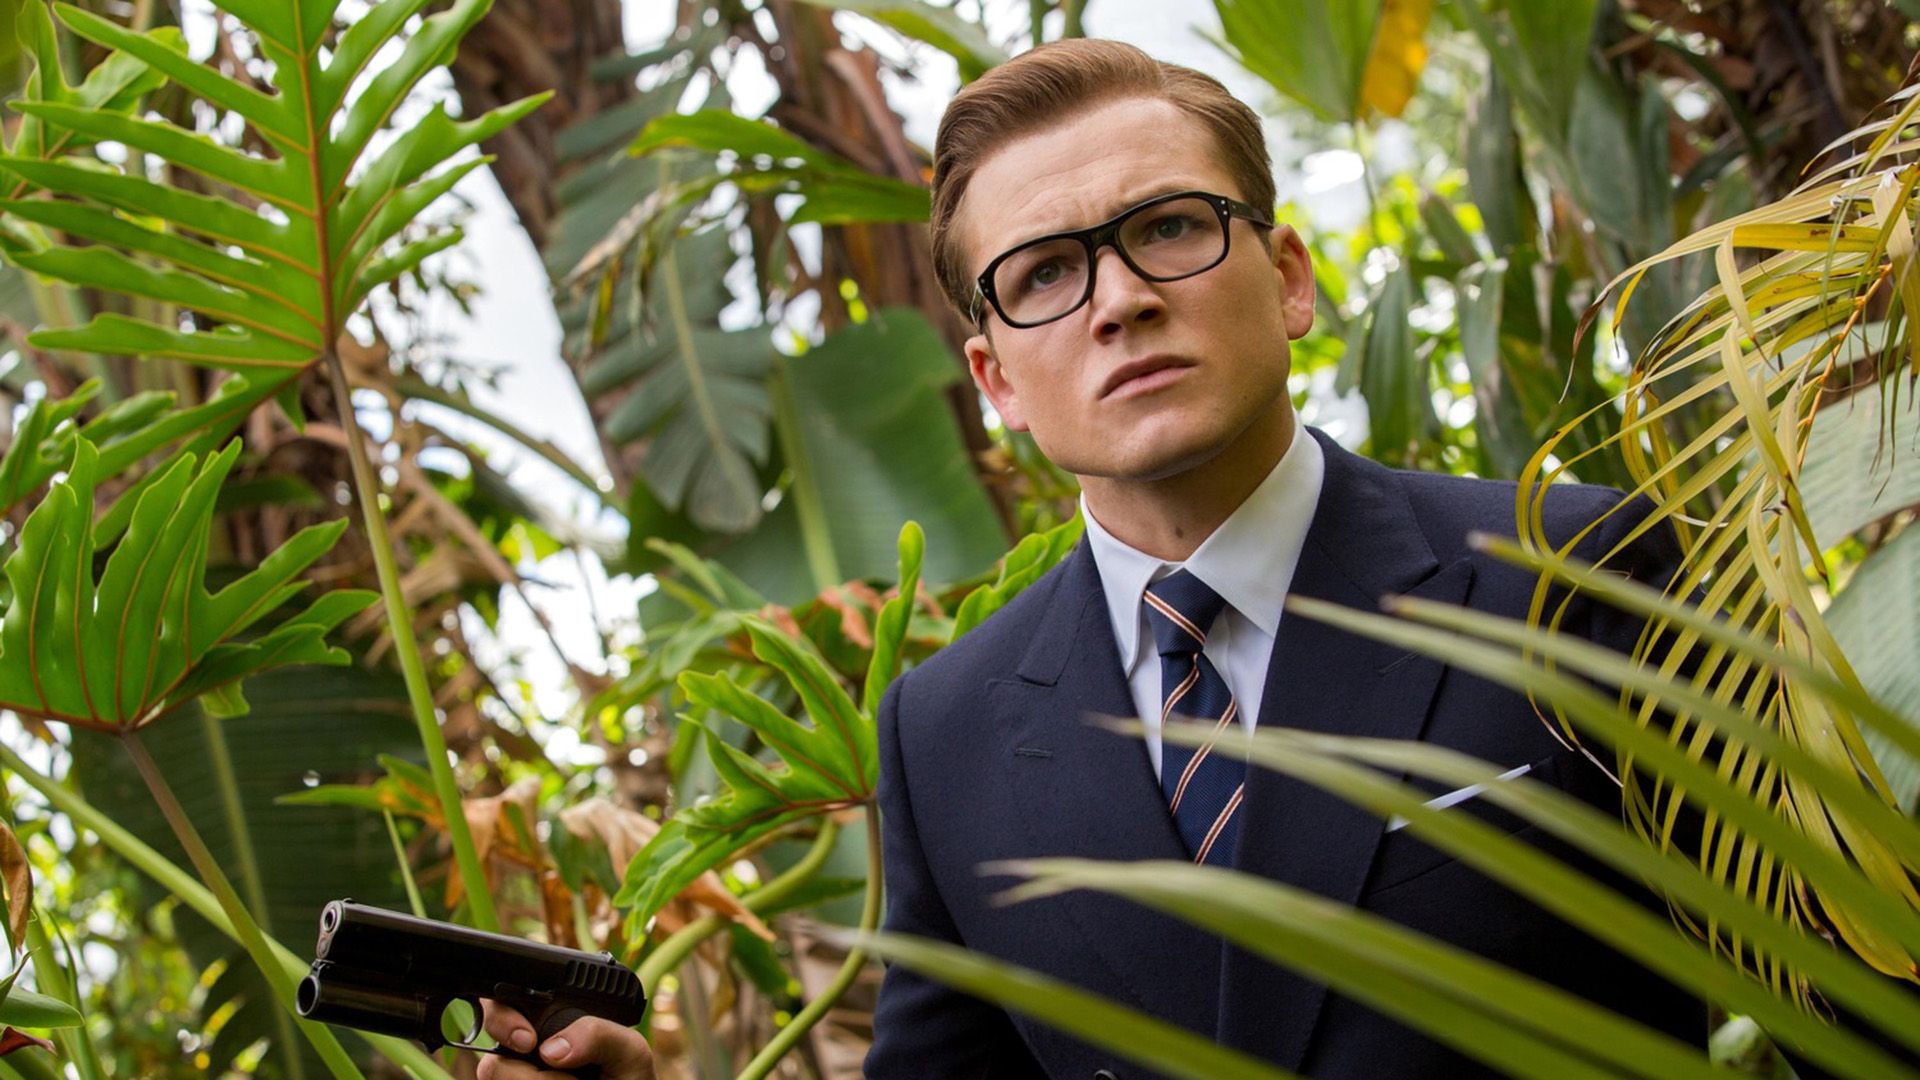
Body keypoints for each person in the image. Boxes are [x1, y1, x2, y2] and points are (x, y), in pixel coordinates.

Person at [864, 38, 1708, 1079]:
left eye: (1169, 227)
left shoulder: (1573, 572)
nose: (1118, 300)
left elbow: (1843, 993)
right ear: (998, 383)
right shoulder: (942, 732)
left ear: (1290, 279)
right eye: (1045, 272)